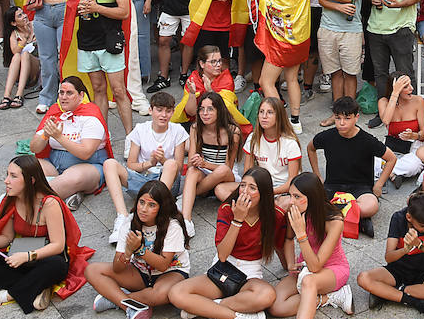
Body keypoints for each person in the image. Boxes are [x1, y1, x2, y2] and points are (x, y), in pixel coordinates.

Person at [0, 154, 84, 313]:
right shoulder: (11, 198)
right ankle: (37, 287)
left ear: (31, 180)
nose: (6, 180)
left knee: (57, 266)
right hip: (18, 257)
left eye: (13, 176)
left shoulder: (49, 203)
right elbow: (7, 238)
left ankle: (6, 295)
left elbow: (58, 245)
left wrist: (27, 256)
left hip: (44, 258)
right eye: (7, 175)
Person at [168, 166, 283, 319]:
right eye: (242, 185)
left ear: (264, 193)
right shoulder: (227, 209)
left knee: (267, 295)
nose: (245, 191)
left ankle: (207, 308)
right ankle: (242, 317)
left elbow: (280, 243)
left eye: (252, 188)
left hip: (249, 274)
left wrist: (290, 266)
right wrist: (238, 220)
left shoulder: (275, 215)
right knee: (176, 293)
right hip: (224, 268)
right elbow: (222, 255)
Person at [271, 172, 354, 319]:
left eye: (297, 197)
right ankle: (329, 298)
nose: (291, 201)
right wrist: (291, 264)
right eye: (290, 195)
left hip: (333, 269)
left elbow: (316, 266)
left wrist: (301, 232)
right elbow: (289, 239)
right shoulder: (296, 211)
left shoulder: (335, 221)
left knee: (309, 281)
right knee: (276, 306)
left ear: (312, 197)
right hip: (305, 265)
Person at [86, 180, 188, 319]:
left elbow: (163, 265)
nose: (144, 209)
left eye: (151, 205)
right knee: (92, 270)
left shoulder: (172, 226)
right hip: (140, 272)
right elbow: (117, 268)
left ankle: (116, 298)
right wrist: (128, 252)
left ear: (162, 208)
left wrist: (140, 249)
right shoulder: (129, 223)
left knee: (161, 295)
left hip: (170, 273)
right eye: (141, 202)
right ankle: (135, 306)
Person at [61, 0, 134, 135]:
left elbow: (124, 12)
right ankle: (102, 134)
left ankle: (130, 137)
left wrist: (96, 7)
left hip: (110, 42)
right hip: (87, 42)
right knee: (98, 90)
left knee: (119, 91)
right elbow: (70, 11)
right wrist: (79, 8)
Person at [102, 90, 186, 242]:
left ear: (173, 112)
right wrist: (150, 163)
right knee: (109, 163)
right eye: (159, 110)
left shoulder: (178, 130)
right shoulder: (141, 129)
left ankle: (158, 210)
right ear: (151, 110)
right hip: (144, 179)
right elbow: (131, 164)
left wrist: (163, 160)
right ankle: (122, 216)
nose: (163, 115)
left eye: (168, 111)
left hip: (166, 182)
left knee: (171, 163)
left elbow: (179, 166)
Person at [308, 96, 395, 239]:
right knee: (311, 203)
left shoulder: (367, 140)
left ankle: (335, 218)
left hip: (360, 188)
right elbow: (310, 148)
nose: (342, 123)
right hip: (333, 186)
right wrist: (317, 175)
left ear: (356, 117)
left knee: (372, 205)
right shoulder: (328, 136)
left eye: (347, 118)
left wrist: (379, 185)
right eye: (337, 118)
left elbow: (391, 158)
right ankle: (357, 219)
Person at [356, 190, 424, 319]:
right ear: (409, 217)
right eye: (423, 226)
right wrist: (405, 250)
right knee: (363, 278)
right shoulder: (398, 218)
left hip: (423, 271)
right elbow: (389, 257)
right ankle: (416, 301)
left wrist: (419, 244)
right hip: (396, 271)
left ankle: (388, 293)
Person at [248, 0, 311, 131]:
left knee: (265, 82)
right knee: (291, 79)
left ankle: (281, 122)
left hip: (281, 42)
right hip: (298, 39)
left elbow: (270, 3)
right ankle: (296, 120)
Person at [29, 77, 115, 207]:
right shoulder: (55, 111)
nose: (64, 97)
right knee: (24, 169)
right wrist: (46, 134)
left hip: (88, 164)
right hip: (54, 162)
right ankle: (66, 192)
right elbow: (34, 148)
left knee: (70, 178)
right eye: (61, 93)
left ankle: (27, 200)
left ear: (81, 95)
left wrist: (59, 137)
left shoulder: (91, 115)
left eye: (69, 93)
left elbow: (85, 153)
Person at [179, 91, 243, 236]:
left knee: (221, 171)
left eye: (210, 109)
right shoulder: (196, 128)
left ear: (219, 111)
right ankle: (186, 219)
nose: (205, 113)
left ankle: (186, 197)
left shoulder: (233, 132)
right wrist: (196, 162)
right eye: (201, 109)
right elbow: (190, 163)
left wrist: (205, 164)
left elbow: (228, 167)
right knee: (191, 171)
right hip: (205, 172)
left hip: (226, 175)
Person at [242, 96, 301, 196]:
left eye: (270, 112)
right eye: (261, 112)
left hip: (283, 189)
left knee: (283, 203)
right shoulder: (253, 138)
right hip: (261, 185)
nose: (264, 116)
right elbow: (247, 173)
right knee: (221, 190)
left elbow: (292, 182)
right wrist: (248, 190)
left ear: (279, 116)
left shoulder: (290, 143)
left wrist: (267, 193)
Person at [380, 72, 424, 181]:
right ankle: (392, 173)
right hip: (392, 144)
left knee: (413, 165)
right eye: (405, 86)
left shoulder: (418, 101)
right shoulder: (383, 102)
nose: (411, 88)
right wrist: (395, 94)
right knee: (370, 158)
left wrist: (414, 135)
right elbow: (386, 120)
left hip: (413, 145)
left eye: (410, 84)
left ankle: (387, 172)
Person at [0, 6, 37, 109]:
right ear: (13, 23)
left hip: (37, 69)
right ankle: (6, 95)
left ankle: (19, 94)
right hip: (22, 71)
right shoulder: (14, 35)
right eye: (20, 15)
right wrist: (26, 38)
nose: (24, 16)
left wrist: (30, 32)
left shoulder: (35, 25)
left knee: (25, 54)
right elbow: (15, 50)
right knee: (17, 56)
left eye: (23, 13)